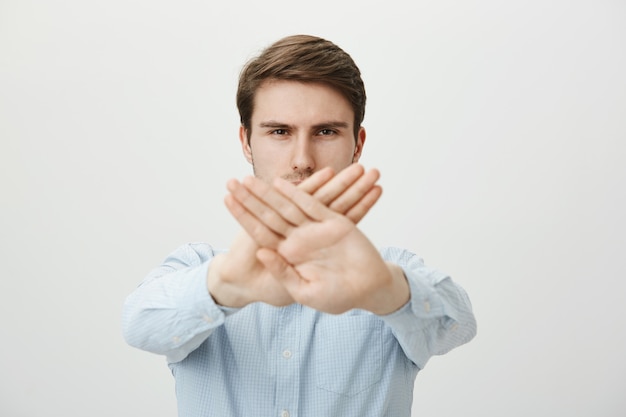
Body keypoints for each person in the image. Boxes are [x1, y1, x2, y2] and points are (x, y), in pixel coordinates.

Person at [122, 34, 476, 417]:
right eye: (279, 131)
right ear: (246, 142)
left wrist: (382, 289)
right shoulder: (196, 266)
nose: (302, 160)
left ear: (357, 144)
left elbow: (458, 325)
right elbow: (139, 325)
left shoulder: (390, 270)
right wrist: (226, 285)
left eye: (326, 132)